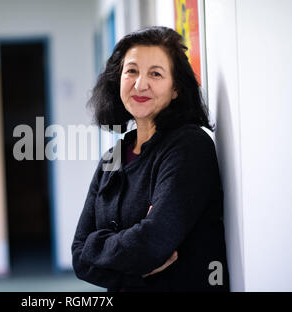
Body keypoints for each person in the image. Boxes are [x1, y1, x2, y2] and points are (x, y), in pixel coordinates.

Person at [71, 26, 230, 292]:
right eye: (131, 71)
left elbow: (151, 245)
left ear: (175, 88)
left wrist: (97, 246)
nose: (140, 84)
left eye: (155, 74)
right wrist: (132, 270)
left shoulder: (189, 146)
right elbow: (78, 255)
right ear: (118, 79)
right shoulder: (113, 158)